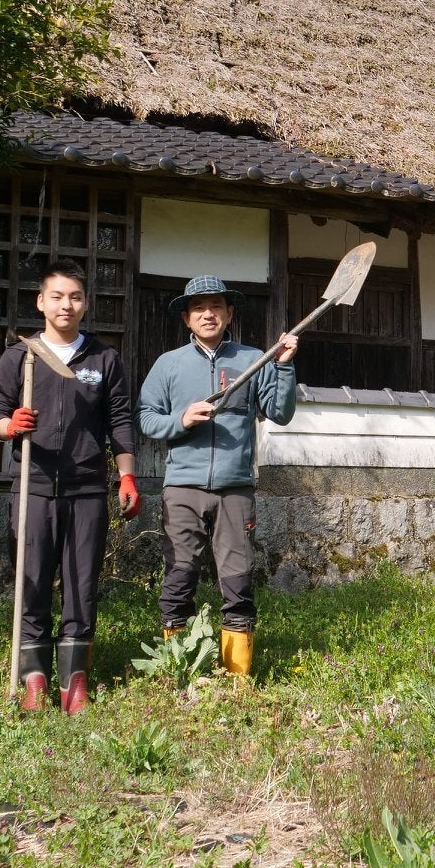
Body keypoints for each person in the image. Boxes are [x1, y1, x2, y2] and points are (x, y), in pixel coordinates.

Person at [0, 259, 139, 714]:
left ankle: (74, 680)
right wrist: (8, 426)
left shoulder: (103, 359)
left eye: (74, 296)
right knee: (31, 579)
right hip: (32, 485)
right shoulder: (21, 355)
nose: (66, 304)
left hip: (87, 488)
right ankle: (32, 676)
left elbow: (120, 422)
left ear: (85, 303)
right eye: (57, 296)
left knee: (80, 583)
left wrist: (127, 474)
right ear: (41, 302)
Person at [138, 274, 299, 679]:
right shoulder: (168, 364)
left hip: (235, 489)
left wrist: (282, 367)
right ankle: (178, 668)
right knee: (179, 577)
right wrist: (182, 419)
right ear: (187, 319)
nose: (208, 314)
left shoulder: (252, 360)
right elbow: (145, 417)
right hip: (182, 488)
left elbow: (279, 412)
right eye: (198, 308)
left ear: (229, 313)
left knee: (238, 581)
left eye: (216, 307)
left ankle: (237, 677)